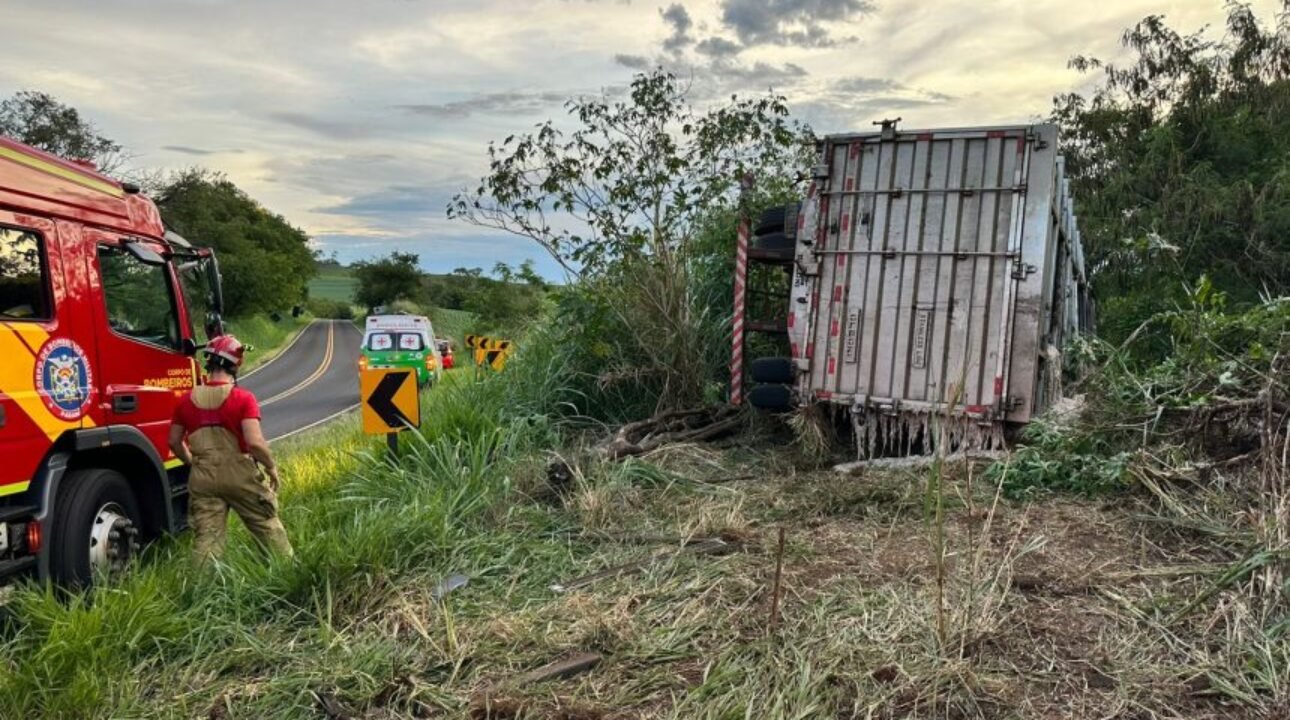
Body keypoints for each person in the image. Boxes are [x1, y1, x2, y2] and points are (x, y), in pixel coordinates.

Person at [168, 334, 292, 563]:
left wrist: (192, 462)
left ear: (209, 363)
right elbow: (254, 443)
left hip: (203, 477)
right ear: (236, 364)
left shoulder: (186, 400)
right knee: (268, 529)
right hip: (240, 474)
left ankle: (201, 594)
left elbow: (174, 442)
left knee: (207, 542)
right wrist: (271, 467)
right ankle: (288, 578)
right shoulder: (243, 399)